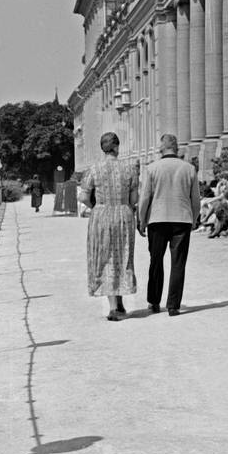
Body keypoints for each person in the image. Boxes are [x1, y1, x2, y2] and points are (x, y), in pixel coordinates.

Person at [137, 133, 201, 316]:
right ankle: (173, 305)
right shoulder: (189, 169)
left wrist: (142, 220)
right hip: (182, 219)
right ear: (177, 148)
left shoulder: (151, 168)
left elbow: (145, 198)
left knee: (155, 262)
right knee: (178, 263)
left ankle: (154, 302)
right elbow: (195, 199)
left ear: (161, 148)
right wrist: (195, 218)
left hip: (157, 219)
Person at [77, 132, 138, 320]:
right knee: (122, 256)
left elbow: (84, 197)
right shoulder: (129, 168)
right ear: (117, 147)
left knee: (106, 258)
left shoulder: (94, 170)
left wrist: (96, 207)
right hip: (123, 214)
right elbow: (134, 198)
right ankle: (117, 304)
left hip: (101, 215)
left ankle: (115, 305)